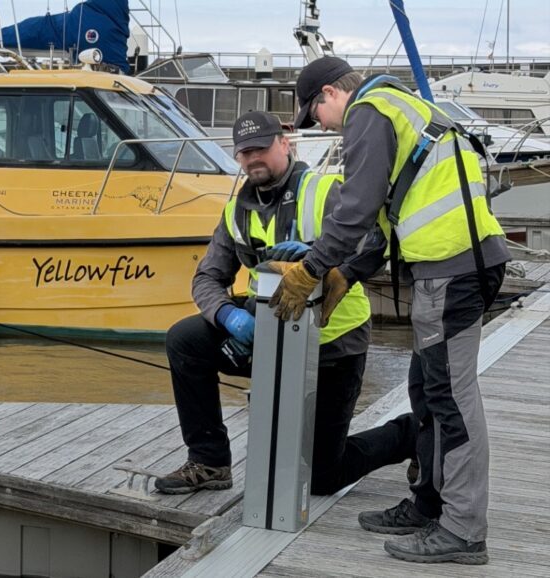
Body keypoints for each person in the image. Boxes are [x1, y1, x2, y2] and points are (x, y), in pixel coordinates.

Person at [270, 57, 509, 565]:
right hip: (453, 267)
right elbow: (381, 222)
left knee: (452, 399)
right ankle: (430, 505)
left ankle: (463, 529)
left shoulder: (369, 111)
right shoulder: (399, 108)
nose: (323, 127)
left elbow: (355, 207)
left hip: (454, 269)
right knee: (427, 389)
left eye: (318, 114)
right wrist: (344, 275)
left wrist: (312, 269)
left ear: (332, 93)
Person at [156, 111, 417, 499]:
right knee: (186, 339)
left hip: (332, 345)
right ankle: (210, 461)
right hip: (269, 337)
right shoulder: (235, 213)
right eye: (243, 152)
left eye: (260, 148)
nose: (251, 159)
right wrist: (229, 317)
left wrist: (319, 256)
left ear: (284, 144)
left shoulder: (326, 192)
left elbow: (375, 244)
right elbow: (207, 279)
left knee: (322, 477)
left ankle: (411, 434)